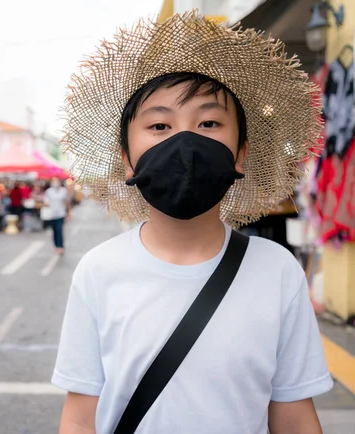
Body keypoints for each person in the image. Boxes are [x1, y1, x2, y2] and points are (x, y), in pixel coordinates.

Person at [52, 13, 333, 434]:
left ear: (240, 154)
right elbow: (79, 418)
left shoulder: (278, 272)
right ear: (127, 159)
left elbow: (293, 417)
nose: (185, 143)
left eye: (209, 123)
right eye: (159, 125)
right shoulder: (98, 271)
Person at [43, 176, 70, 254]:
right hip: (51, 214)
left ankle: (60, 246)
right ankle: (56, 245)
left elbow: (67, 202)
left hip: (61, 214)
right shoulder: (48, 191)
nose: (55, 182)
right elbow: (45, 200)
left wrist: (68, 213)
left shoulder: (63, 191)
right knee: (54, 231)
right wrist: (46, 203)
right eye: (53, 180)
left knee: (59, 230)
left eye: (56, 180)